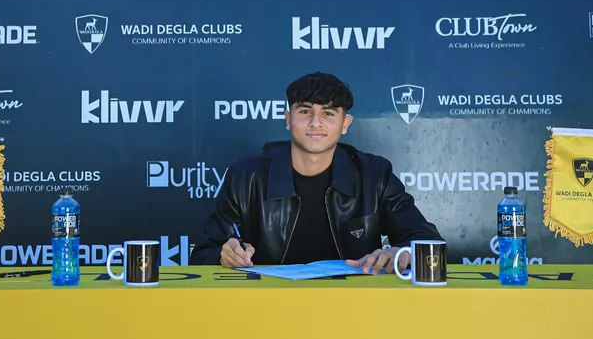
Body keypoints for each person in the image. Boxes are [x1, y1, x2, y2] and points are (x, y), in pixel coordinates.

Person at [189, 72, 443, 275]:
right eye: (305, 111)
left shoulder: (374, 174)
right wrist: (224, 255)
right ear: (288, 119)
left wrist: (401, 253)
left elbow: (428, 243)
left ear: (345, 124)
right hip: (267, 304)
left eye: (328, 113)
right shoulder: (246, 176)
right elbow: (202, 254)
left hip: (354, 305)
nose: (315, 122)